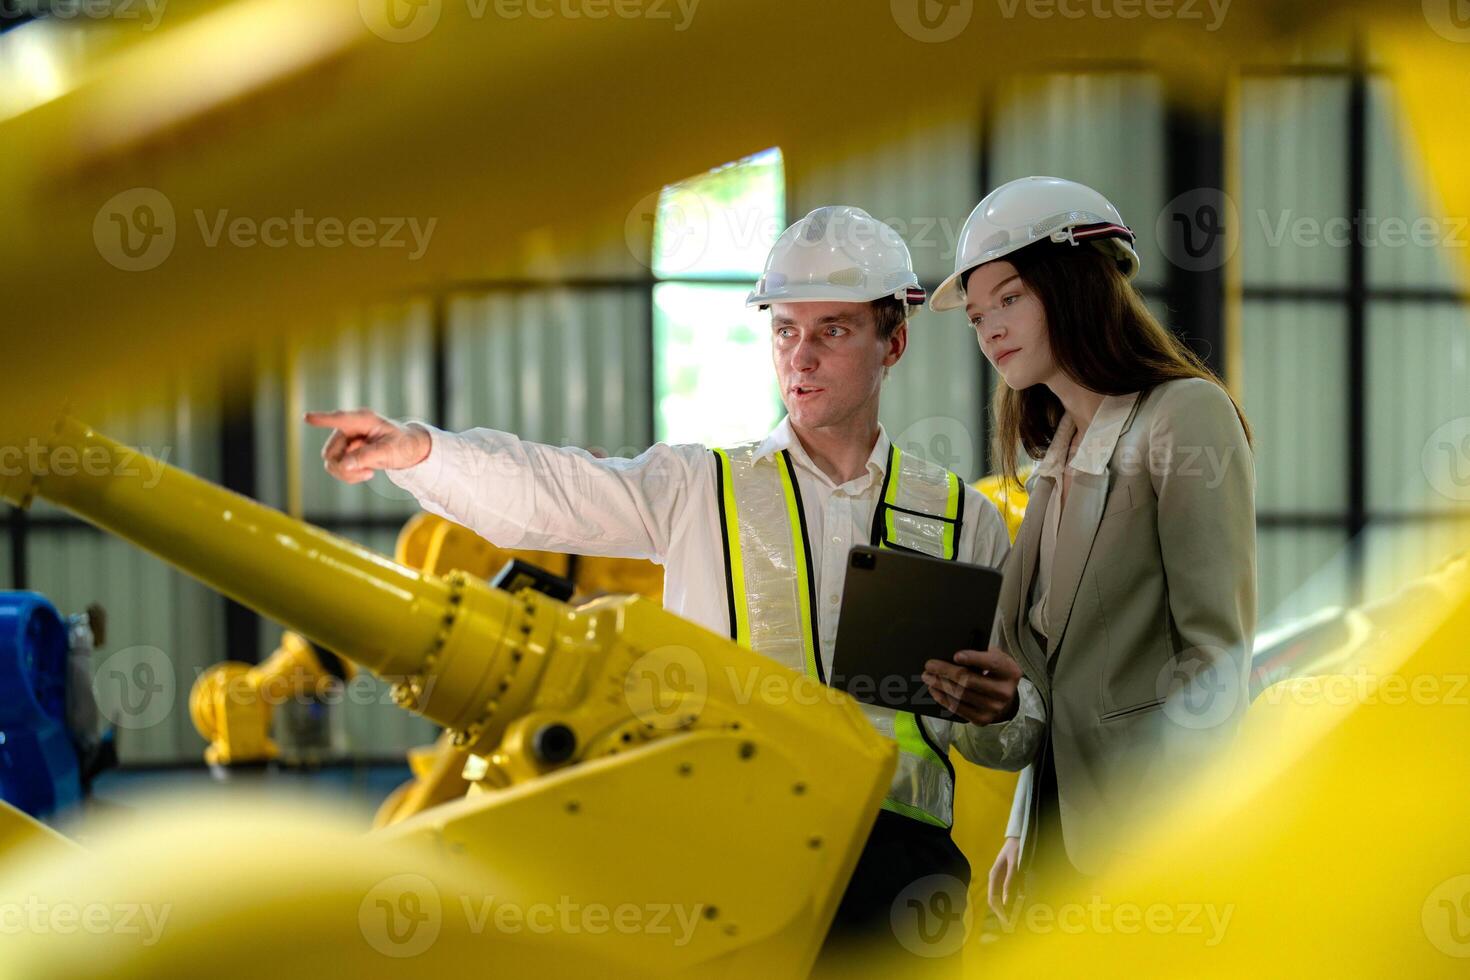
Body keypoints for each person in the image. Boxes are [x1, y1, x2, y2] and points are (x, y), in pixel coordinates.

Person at [306, 205, 1042, 955]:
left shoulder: (964, 518)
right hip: (733, 856)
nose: (801, 357)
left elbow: (1012, 733)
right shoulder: (702, 487)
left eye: (833, 330)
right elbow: (551, 492)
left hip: (902, 876)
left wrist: (1000, 712)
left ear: (895, 342)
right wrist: (422, 452)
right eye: (785, 329)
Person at [925, 176, 1257, 913]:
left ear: (1075, 282)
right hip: (1054, 840)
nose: (991, 330)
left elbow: (1217, 661)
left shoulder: (1183, 417)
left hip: (1149, 842)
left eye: (1009, 299)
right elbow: (1046, 685)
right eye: (978, 317)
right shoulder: (1057, 457)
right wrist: (1018, 817)